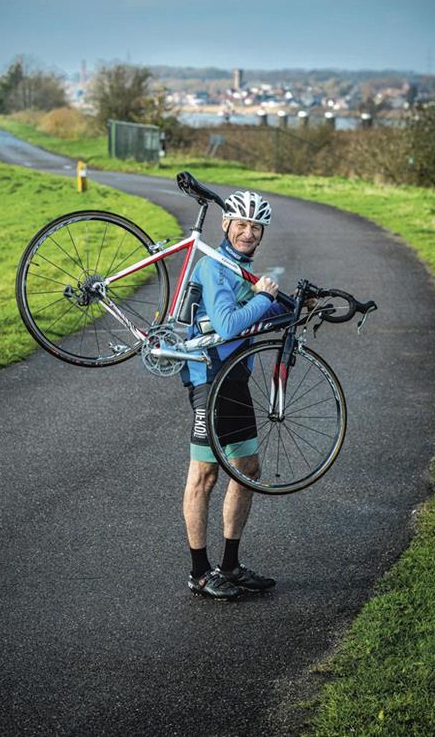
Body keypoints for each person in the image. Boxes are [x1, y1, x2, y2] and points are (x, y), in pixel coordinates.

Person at [181, 189, 283, 600]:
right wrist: (263, 296)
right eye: (241, 224)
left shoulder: (242, 271)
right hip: (208, 375)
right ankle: (200, 572)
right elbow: (226, 324)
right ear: (225, 225)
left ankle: (230, 565)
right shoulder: (214, 267)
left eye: (255, 227)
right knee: (204, 475)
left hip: (235, 376)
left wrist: (297, 305)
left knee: (248, 468)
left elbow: (256, 315)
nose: (248, 232)